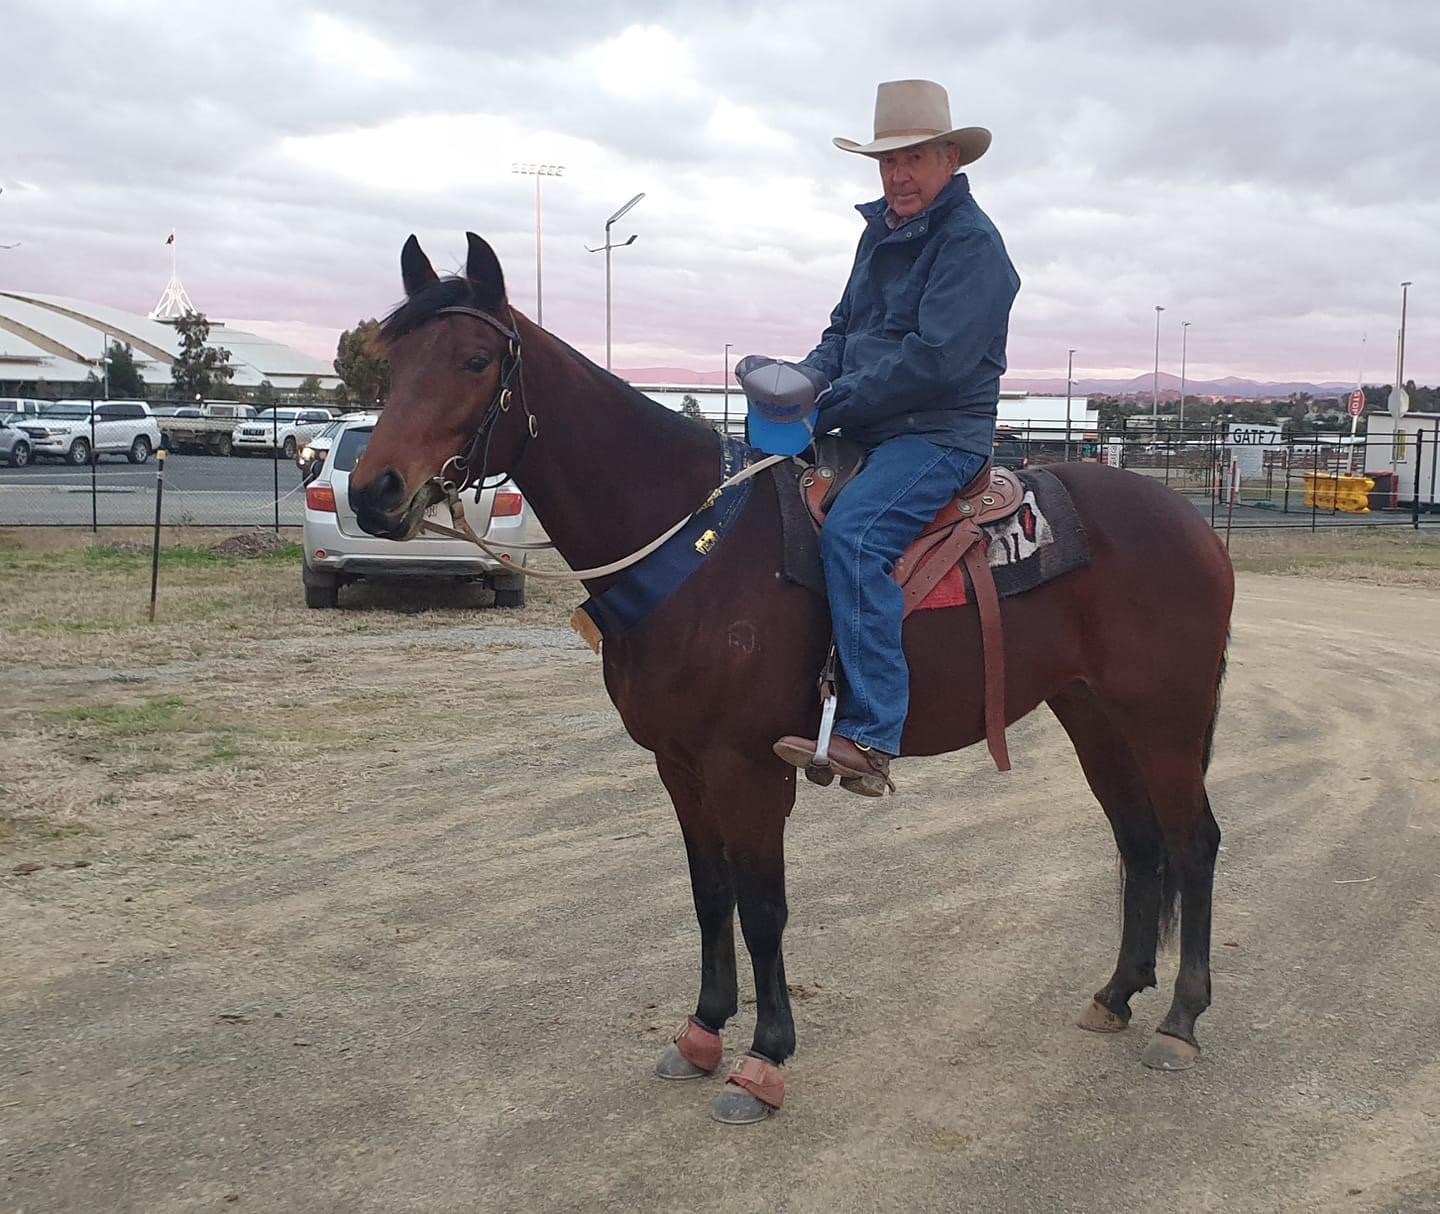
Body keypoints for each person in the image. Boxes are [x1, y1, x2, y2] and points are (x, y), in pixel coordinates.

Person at [768, 78, 1021, 797]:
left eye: (913, 158)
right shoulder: (878, 232)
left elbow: (935, 360)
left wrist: (833, 403)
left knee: (855, 535)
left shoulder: (973, 246)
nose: (898, 175)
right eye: (887, 161)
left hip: (937, 433)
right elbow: (842, 331)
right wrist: (804, 382)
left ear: (949, 159)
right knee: (760, 497)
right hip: (867, 423)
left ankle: (873, 732)